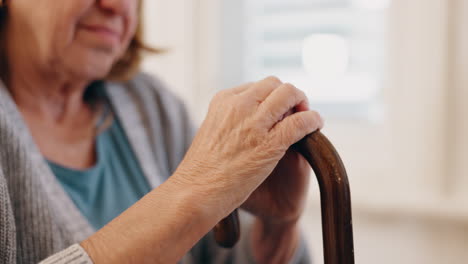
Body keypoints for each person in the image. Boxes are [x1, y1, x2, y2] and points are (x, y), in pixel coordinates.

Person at [0, 0, 324, 263]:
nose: (118, 5)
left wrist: (277, 229)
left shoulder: (151, 104)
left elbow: (217, 256)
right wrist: (196, 190)